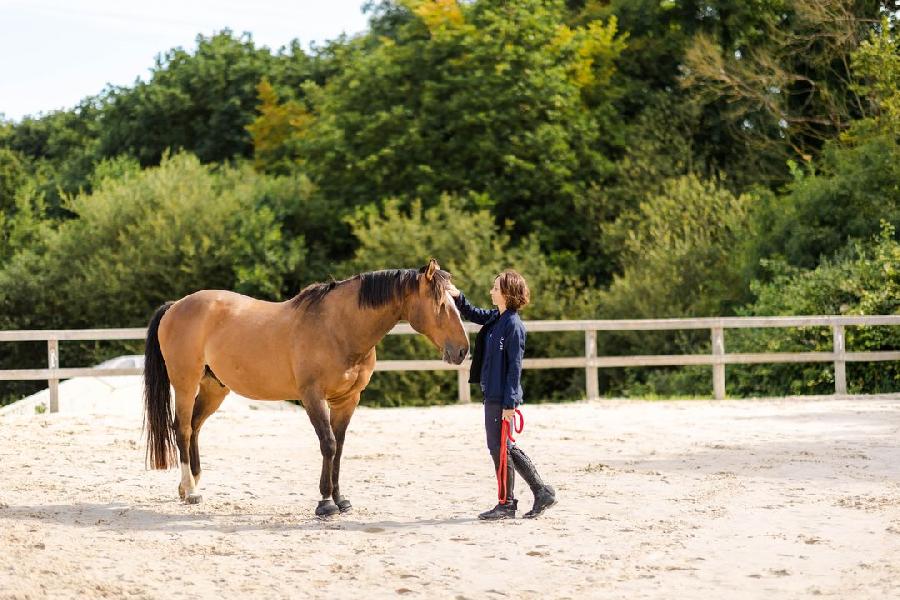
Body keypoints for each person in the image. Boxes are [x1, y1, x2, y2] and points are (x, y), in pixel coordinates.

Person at [448, 270, 557, 520]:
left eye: (495, 288)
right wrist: (457, 296)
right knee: (504, 447)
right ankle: (541, 492)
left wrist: (510, 403)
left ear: (507, 293)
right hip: (492, 393)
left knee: (499, 448)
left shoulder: (513, 326)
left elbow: (514, 368)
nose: (491, 292)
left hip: (501, 397)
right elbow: (475, 314)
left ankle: (507, 503)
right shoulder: (497, 318)